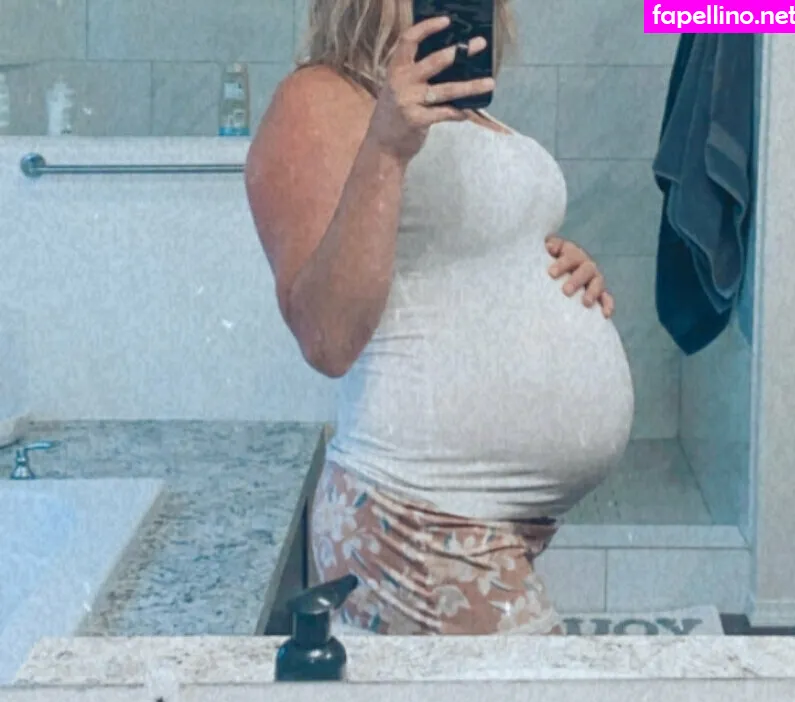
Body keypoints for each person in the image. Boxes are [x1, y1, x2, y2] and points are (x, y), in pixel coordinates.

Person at [245, 0, 635, 636]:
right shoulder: (317, 97)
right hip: (414, 517)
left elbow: (463, 251)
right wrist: (386, 146)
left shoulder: (462, 109)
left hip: (465, 518)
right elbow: (325, 337)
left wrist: (557, 268)